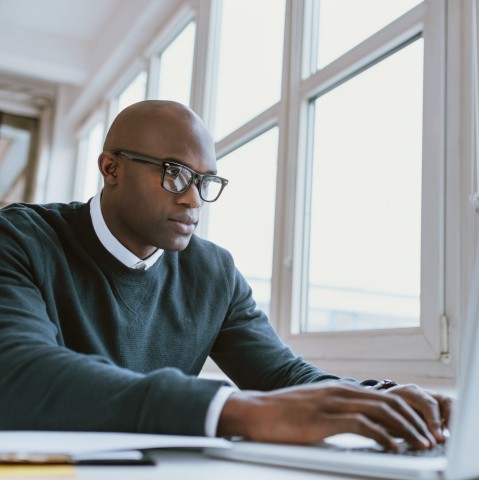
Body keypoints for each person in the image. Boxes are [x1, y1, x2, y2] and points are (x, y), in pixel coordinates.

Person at [0, 100, 450, 451]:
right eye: (175, 174)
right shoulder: (20, 238)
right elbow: (17, 371)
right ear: (111, 168)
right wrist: (232, 410)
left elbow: (281, 375)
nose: (193, 199)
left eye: (206, 181)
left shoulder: (214, 271)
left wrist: (377, 398)